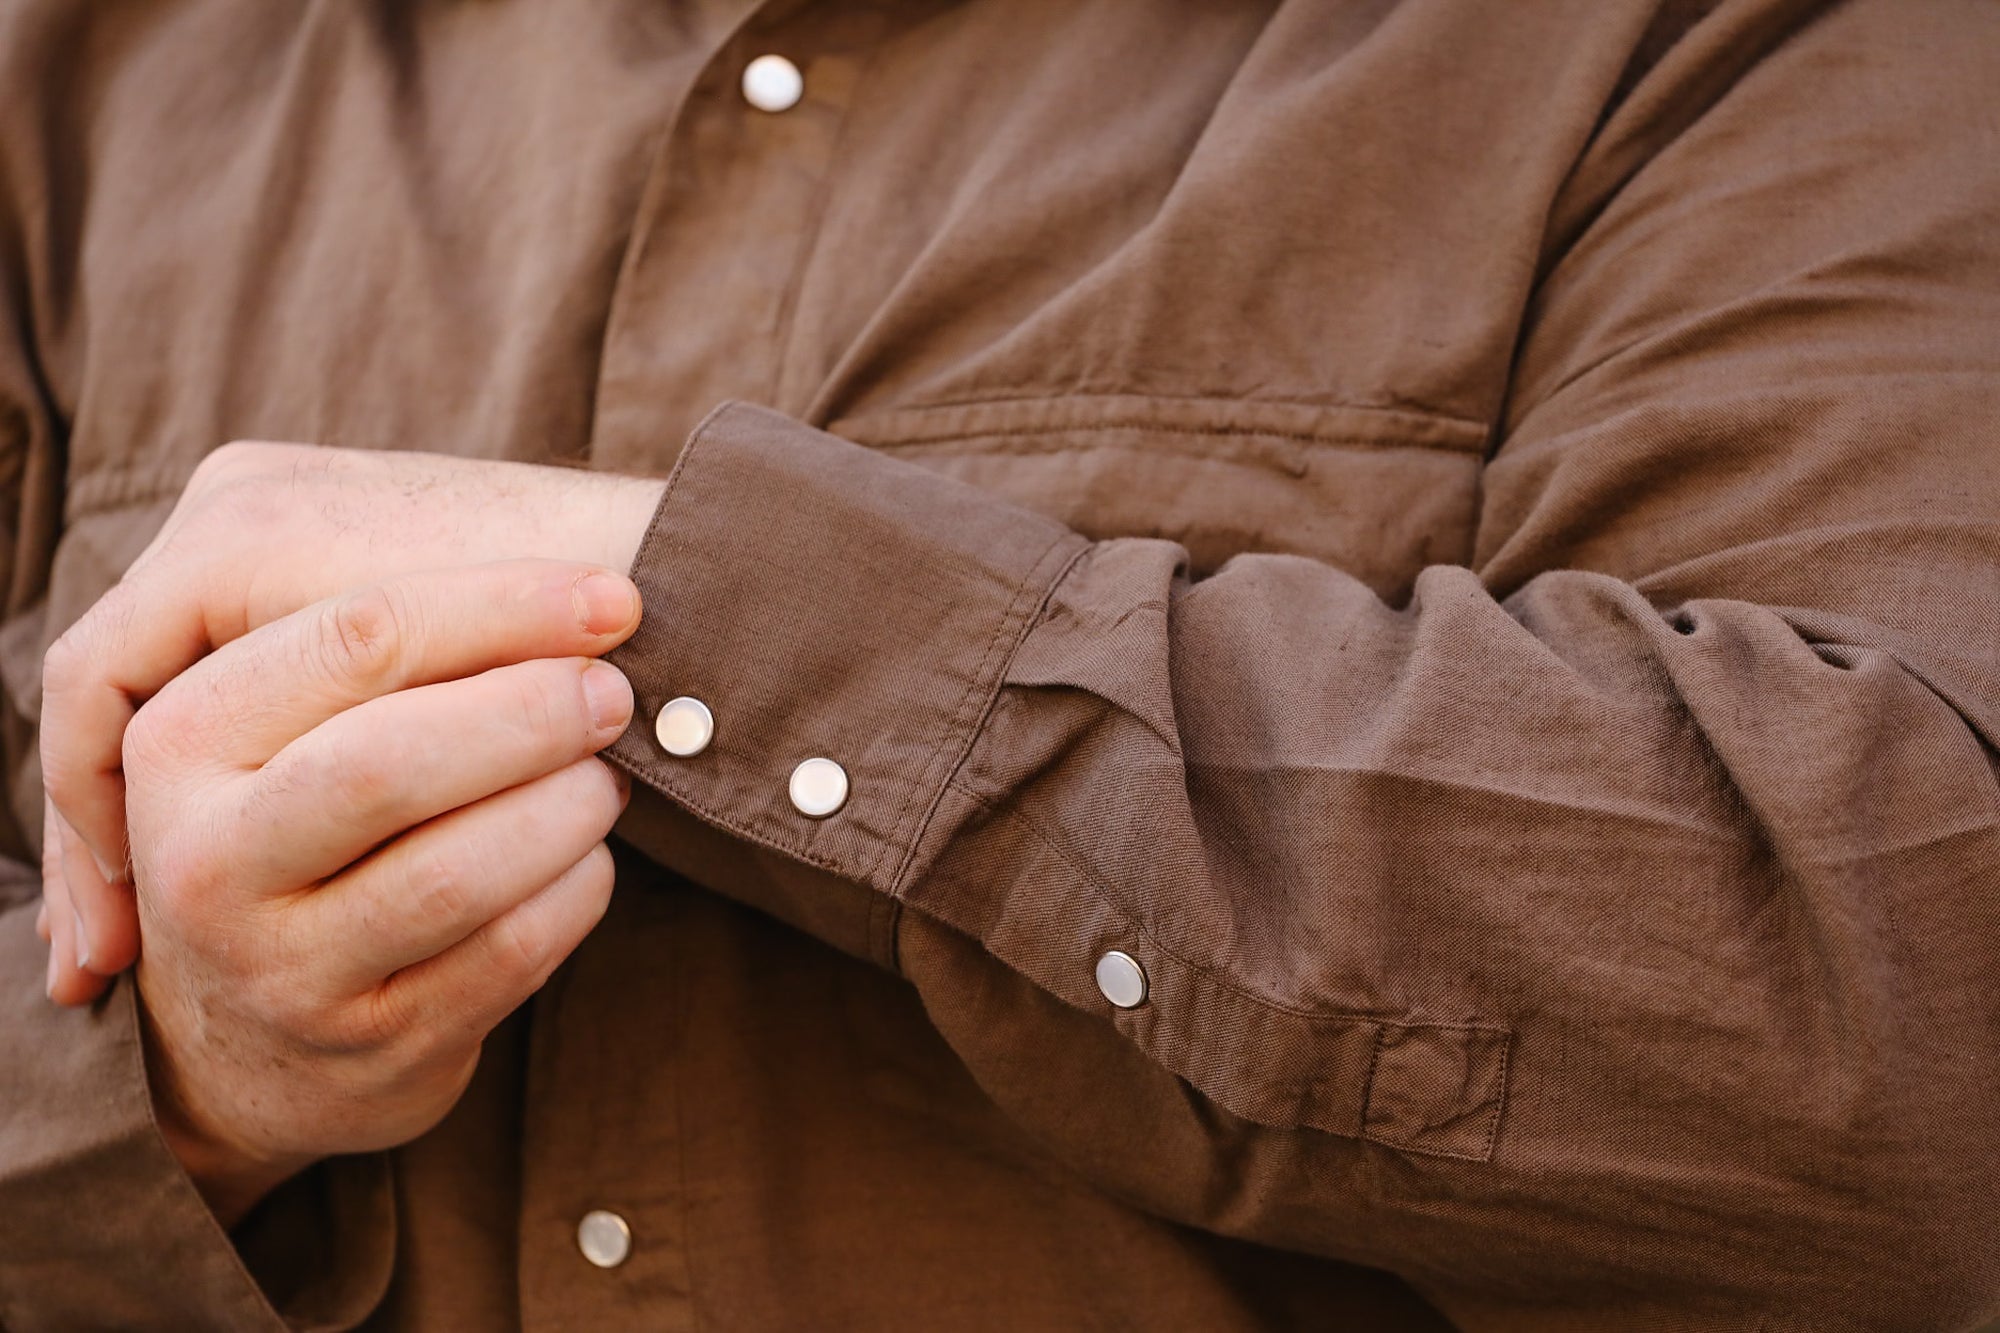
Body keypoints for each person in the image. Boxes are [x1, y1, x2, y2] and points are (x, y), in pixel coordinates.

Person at [1, 0, 1996, 1328]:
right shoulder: (95, 74)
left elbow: (1905, 1009)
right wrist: (180, 1088)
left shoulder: (1729, 42)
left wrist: (685, 599)